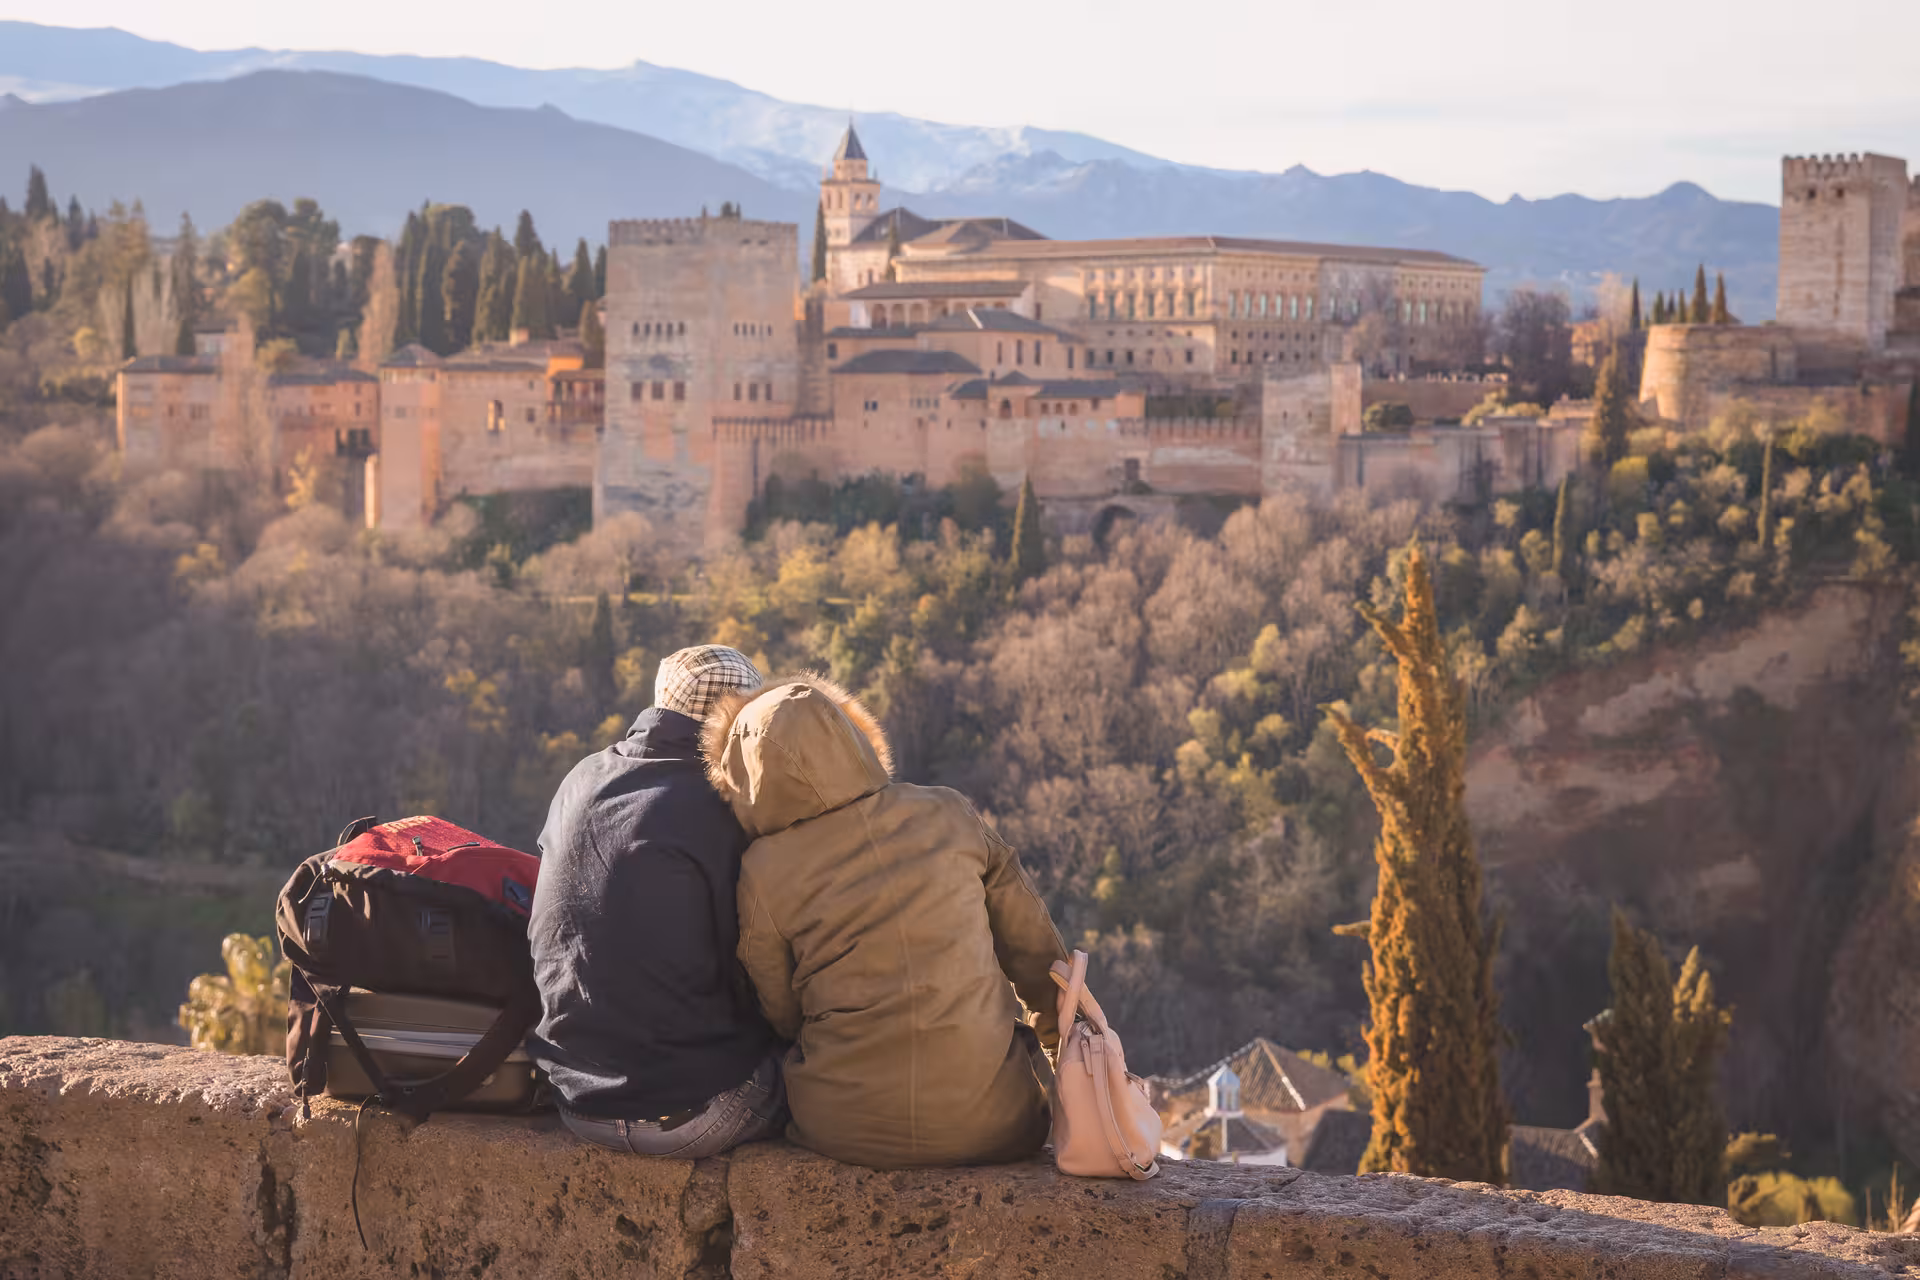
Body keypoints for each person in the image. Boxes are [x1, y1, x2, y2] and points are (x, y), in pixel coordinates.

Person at [702, 673, 1068, 1169]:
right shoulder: (948, 813)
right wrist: (1063, 1060)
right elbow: (1037, 957)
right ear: (851, 738)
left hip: (844, 1129)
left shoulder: (763, 871)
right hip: (1001, 1123)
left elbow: (783, 1008)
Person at [528, 644, 786, 1158]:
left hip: (576, 1100)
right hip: (693, 1110)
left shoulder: (580, 779)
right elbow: (759, 966)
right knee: (831, 1067)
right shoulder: (727, 805)